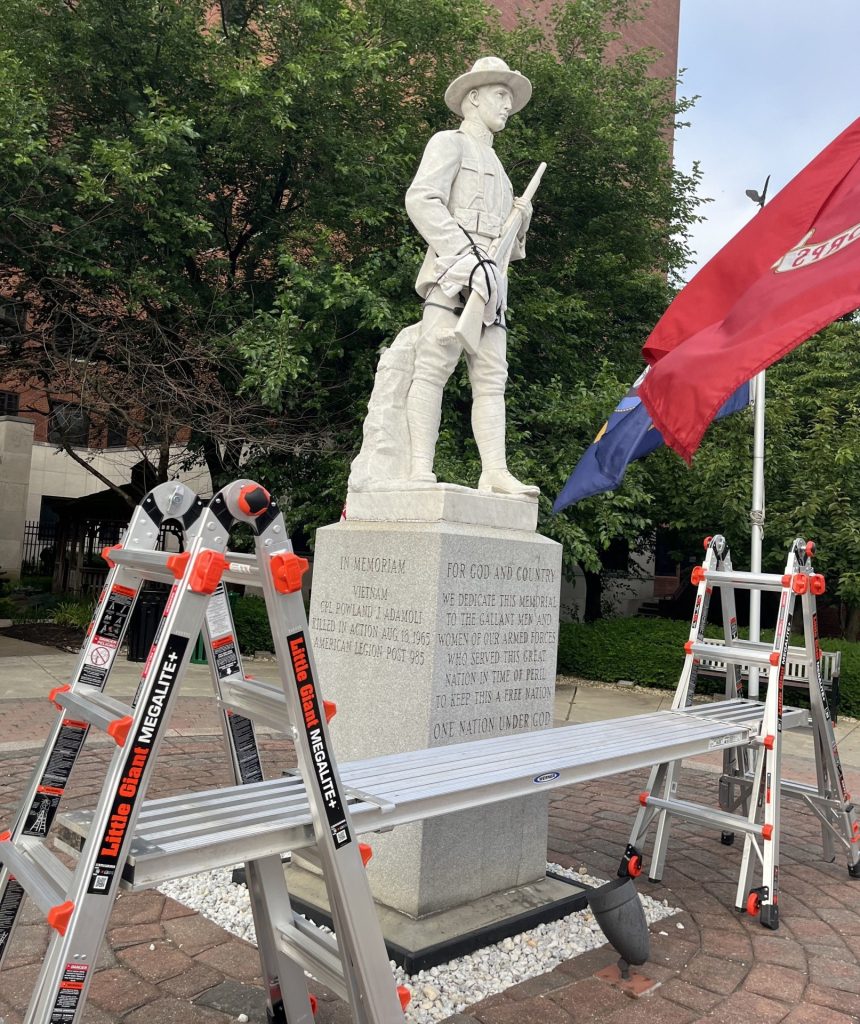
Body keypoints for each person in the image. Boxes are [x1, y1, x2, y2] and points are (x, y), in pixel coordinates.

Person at [403, 56, 539, 497]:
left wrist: (521, 223)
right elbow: (422, 200)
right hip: (453, 270)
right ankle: (419, 468)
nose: (507, 105)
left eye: (509, 98)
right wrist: (464, 253)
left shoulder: (501, 169)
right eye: (500, 95)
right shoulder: (449, 143)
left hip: (492, 281)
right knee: (433, 366)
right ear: (474, 98)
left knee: (492, 377)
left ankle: (494, 471)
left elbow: (510, 250)